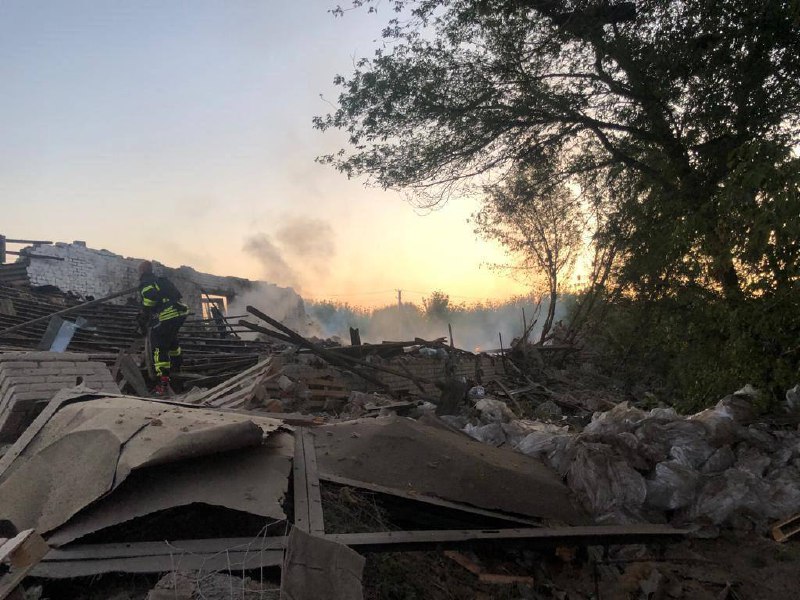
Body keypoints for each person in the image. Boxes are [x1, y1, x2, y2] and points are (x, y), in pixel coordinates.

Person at [136, 261, 190, 395]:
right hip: (180, 312)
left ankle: (163, 383)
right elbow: (176, 295)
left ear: (142, 271)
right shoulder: (161, 281)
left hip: (167, 315)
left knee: (159, 347)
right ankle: (177, 370)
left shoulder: (146, 284)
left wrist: (143, 318)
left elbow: (149, 303)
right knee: (171, 341)